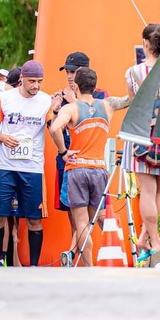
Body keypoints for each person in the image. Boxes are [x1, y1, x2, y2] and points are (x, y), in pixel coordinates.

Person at [121, 23, 160, 258]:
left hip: (141, 133)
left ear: (146, 43)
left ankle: (154, 241)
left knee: (146, 190)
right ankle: (147, 236)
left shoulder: (133, 73)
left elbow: (134, 102)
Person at [49, 67, 115, 266]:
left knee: (81, 223)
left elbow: (54, 128)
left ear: (76, 86)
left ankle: (89, 266)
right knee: (96, 220)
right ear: (95, 86)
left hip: (77, 169)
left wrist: (63, 152)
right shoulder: (107, 105)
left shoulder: (71, 108)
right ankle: (105, 258)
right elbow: (128, 99)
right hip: (99, 169)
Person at [0, 59, 51, 267]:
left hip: (32, 167)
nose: (36, 86)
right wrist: (3, 138)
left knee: (34, 219)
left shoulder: (46, 101)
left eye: (39, 81)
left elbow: (54, 127)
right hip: (5, 166)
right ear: (21, 78)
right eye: (32, 81)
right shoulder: (5, 98)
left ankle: (33, 266)